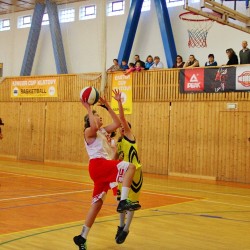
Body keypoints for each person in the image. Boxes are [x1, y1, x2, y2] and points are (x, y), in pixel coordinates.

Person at [73, 95, 140, 250]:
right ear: (90, 120)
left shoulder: (101, 131)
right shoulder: (89, 131)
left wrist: (107, 105)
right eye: (97, 116)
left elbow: (117, 123)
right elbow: (94, 126)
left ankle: (82, 237)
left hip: (100, 169)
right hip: (98, 165)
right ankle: (123, 201)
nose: (100, 118)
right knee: (131, 167)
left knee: (96, 204)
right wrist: (89, 108)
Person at [112, 89, 143, 245]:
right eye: (121, 128)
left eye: (124, 127)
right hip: (123, 174)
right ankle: (121, 225)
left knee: (130, 203)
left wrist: (118, 102)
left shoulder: (130, 137)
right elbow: (114, 159)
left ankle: (126, 229)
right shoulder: (118, 143)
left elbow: (122, 118)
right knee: (121, 202)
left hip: (136, 173)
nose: (122, 128)